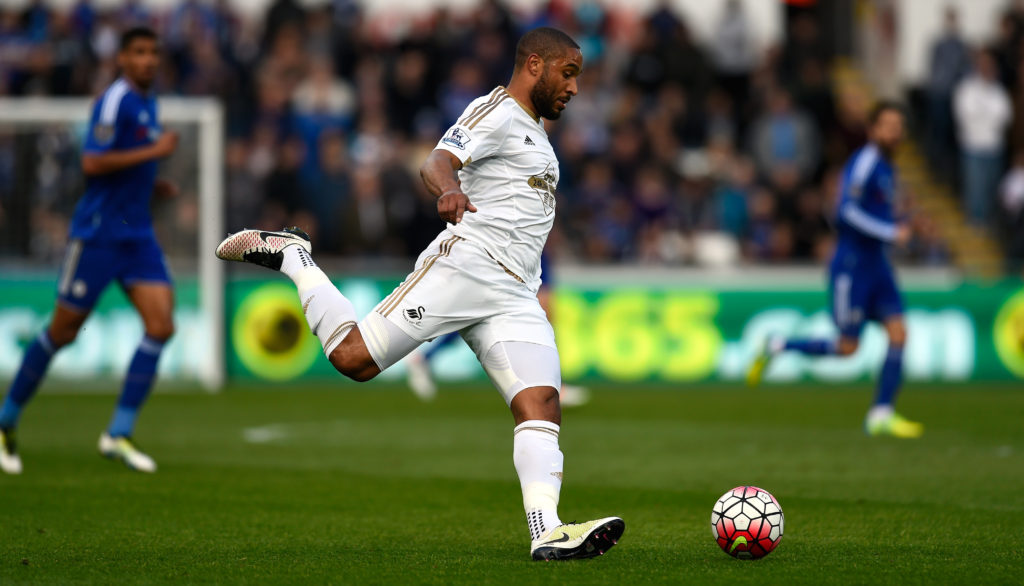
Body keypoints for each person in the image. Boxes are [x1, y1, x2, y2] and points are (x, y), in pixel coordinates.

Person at [215, 27, 624, 561]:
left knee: (541, 404)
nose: (574, 88)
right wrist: (449, 189)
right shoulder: (496, 111)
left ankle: (545, 530)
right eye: (567, 74)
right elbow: (437, 160)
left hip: (516, 291)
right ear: (534, 66)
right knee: (353, 359)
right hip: (467, 266)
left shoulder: (537, 132)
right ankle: (295, 256)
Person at [0, 27, 179, 475]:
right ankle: (4, 422)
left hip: (136, 234)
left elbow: (124, 165)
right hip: (98, 234)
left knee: (161, 325)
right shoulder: (115, 100)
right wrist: (154, 152)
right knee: (63, 332)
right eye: (138, 52)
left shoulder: (148, 100)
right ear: (121, 58)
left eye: (153, 53)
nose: (148, 60)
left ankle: (117, 433)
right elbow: (92, 162)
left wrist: (152, 182)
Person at [746, 102, 923, 439]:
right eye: (887, 125)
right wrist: (890, 231)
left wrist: (897, 220)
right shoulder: (866, 161)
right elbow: (845, 211)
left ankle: (881, 414)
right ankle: (777, 345)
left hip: (878, 265)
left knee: (899, 333)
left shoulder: (889, 167)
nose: (894, 132)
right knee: (847, 347)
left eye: (898, 126)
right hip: (852, 266)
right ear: (873, 129)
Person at [404, 250, 591, 407]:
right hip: (507, 245)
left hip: (527, 243)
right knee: (475, 315)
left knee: (534, 314)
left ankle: (551, 386)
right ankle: (550, 386)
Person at [954, 49, 1012, 227]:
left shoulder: (998, 90)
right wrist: (986, 115)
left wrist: (983, 115)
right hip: (973, 145)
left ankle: (988, 219)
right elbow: (965, 114)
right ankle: (975, 219)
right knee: (975, 185)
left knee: (991, 185)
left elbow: (1005, 115)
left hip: (994, 145)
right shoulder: (967, 88)